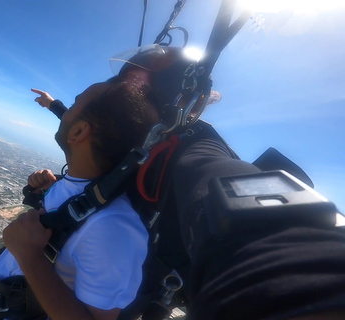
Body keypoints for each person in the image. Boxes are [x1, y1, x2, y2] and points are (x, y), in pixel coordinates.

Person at [28, 50, 345, 319]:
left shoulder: (191, 144)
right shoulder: (139, 134)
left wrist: (303, 266)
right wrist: (56, 107)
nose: (116, 95)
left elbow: (221, 179)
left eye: (125, 86)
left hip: (131, 284)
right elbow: (97, 124)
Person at [0, 76, 159, 320]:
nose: (66, 112)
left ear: (79, 132)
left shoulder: (112, 227)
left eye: (75, 104)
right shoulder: (82, 187)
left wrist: (29, 256)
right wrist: (45, 194)